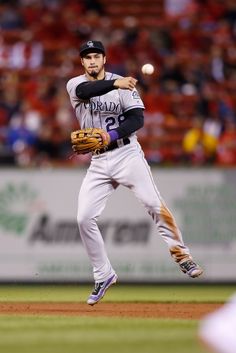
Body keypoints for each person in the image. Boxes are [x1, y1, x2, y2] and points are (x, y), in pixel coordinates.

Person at [66, 40, 203, 306]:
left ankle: (183, 256)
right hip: (98, 161)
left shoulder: (123, 84)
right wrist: (116, 84)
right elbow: (87, 89)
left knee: (153, 203)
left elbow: (137, 119)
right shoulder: (76, 84)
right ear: (82, 62)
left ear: (104, 59)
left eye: (96, 56)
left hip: (127, 154)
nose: (91, 61)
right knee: (84, 218)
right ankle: (103, 274)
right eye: (87, 58)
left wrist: (111, 134)